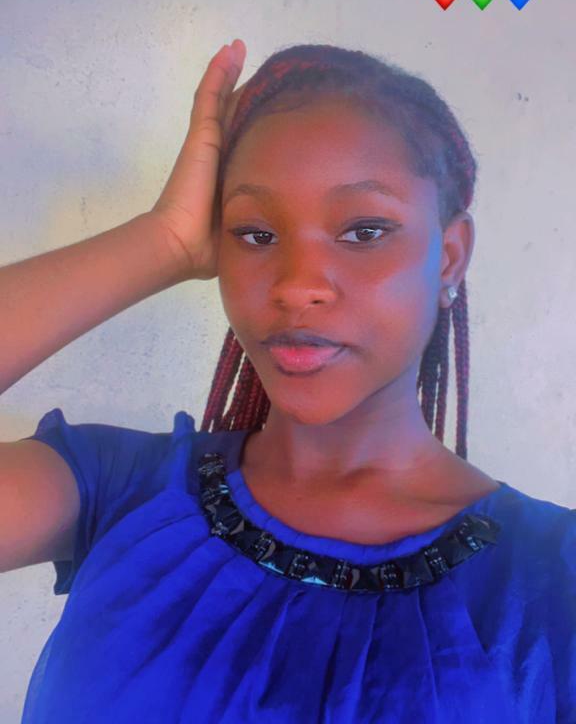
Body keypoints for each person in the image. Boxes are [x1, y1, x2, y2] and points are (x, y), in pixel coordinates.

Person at [1, 39, 574, 723]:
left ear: (449, 257)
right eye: (255, 233)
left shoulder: (554, 582)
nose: (297, 285)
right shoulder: (116, 490)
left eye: (364, 231)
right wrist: (164, 241)